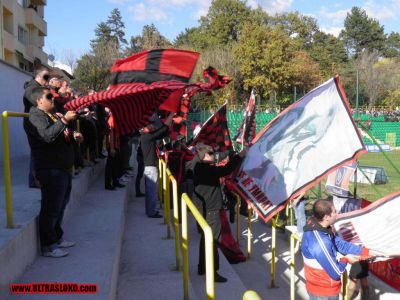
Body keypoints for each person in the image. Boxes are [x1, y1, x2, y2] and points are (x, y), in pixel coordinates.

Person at [24, 86, 83, 258]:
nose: (53, 99)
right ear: (38, 101)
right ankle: (48, 245)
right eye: (49, 96)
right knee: (51, 208)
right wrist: (64, 121)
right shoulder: (35, 116)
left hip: (62, 168)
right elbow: (47, 136)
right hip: (50, 170)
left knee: (60, 206)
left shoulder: (53, 114)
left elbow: (62, 133)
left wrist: (74, 135)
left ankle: (57, 237)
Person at [188, 143, 245, 283]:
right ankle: (212, 272)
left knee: (204, 238)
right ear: (205, 155)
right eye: (212, 153)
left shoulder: (196, 166)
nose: (214, 155)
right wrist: (239, 156)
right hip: (211, 210)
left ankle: (202, 267)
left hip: (202, 209)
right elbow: (226, 169)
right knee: (213, 240)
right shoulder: (207, 169)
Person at [301, 199, 378, 300]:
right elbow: (336, 272)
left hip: (326, 289)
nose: (336, 215)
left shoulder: (322, 228)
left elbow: (341, 245)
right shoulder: (320, 242)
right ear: (326, 217)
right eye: (334, 212)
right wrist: (346, 259)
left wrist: (366, 251)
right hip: (323, 292)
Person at [140, 113, 174, 218]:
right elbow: (162, 131)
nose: (154, 126)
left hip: (149, 167)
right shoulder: (146, 136)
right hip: (150, 167)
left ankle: (150, 210)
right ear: (146, 126)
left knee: (151, 190)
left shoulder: (146, 136)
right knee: (152, 191)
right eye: (152, 125)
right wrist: (170, 116)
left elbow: (161, 133)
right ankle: (151, 212)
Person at [23, 68, 50, 188]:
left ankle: (39, 178)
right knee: (37, 151)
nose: (47, 80)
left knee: (40, 151)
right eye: (46, 77)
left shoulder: (38, 88)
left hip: (38, 122)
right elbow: (37, 102)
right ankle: (34, 181)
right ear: (39, 77)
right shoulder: (31, 88)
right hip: (33, 123)